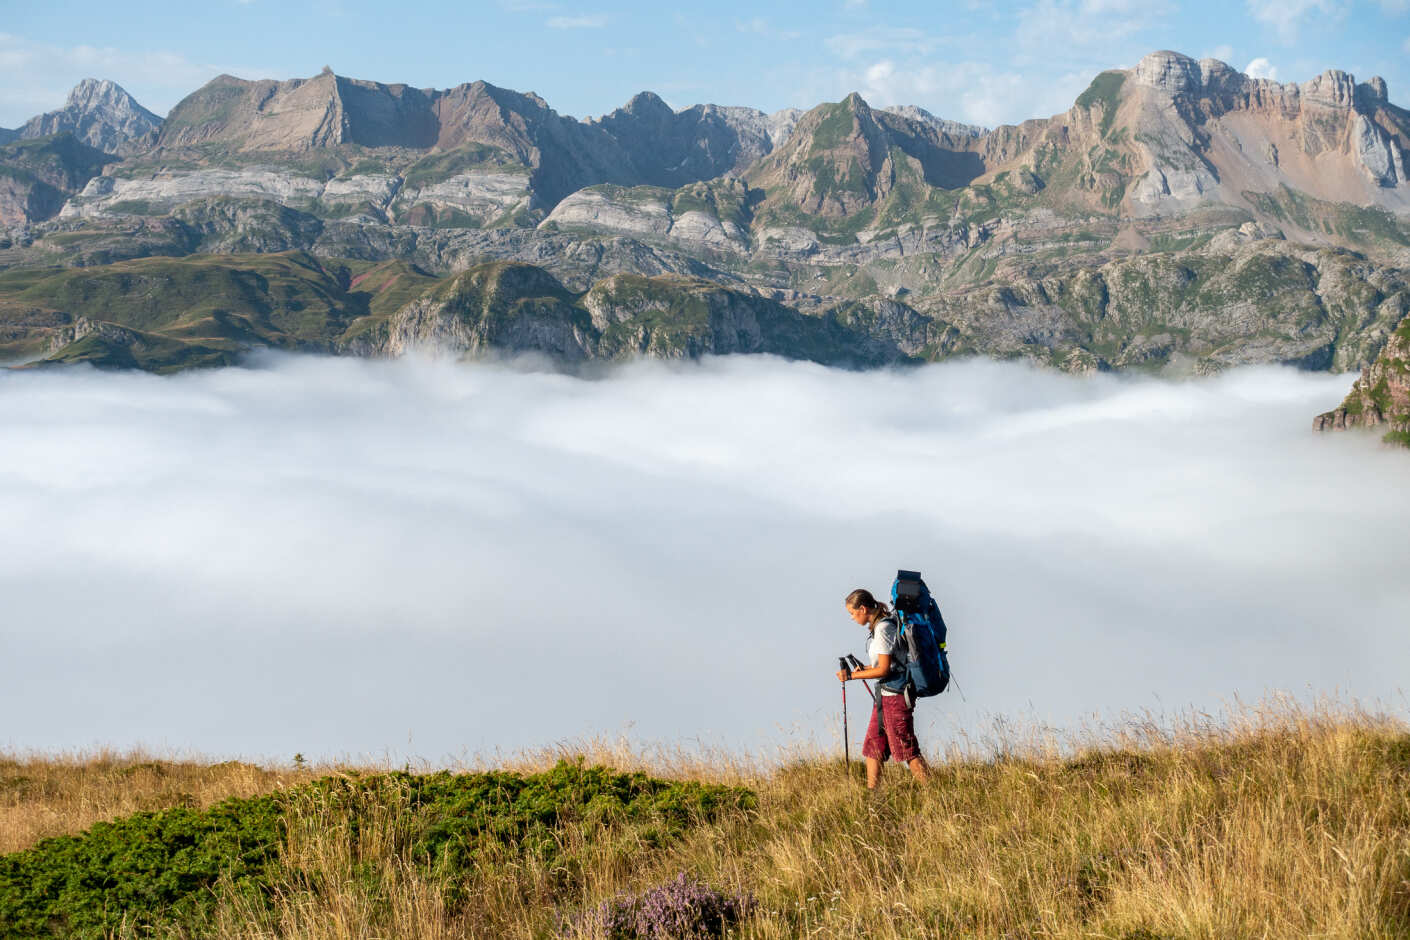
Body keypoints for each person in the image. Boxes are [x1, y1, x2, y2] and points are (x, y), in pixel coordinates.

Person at [836, 588, 931, 789]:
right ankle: (872, 795)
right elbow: (887, 664)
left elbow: (884, 669)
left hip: (895, 696)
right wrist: (864, 669)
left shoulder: (883, 629)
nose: (852, 618)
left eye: (852, 613)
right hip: (885, 695)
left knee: (906, 748)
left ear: (862, 609)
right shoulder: (882, 625)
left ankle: (933, 794)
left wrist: (852, 675)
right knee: (873, 745)